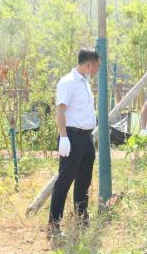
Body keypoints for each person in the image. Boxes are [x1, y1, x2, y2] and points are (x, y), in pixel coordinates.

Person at [48, 48, 101, 238]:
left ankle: (81, 216)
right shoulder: (68, 82)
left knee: (84, 180)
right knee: (64, 181)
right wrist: (63, 137)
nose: (97, 71)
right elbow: (60, 111)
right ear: (88, 65)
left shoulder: (85, 83)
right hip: (71, 137)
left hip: (86, 138)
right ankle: (54, 224)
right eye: (96, 67)